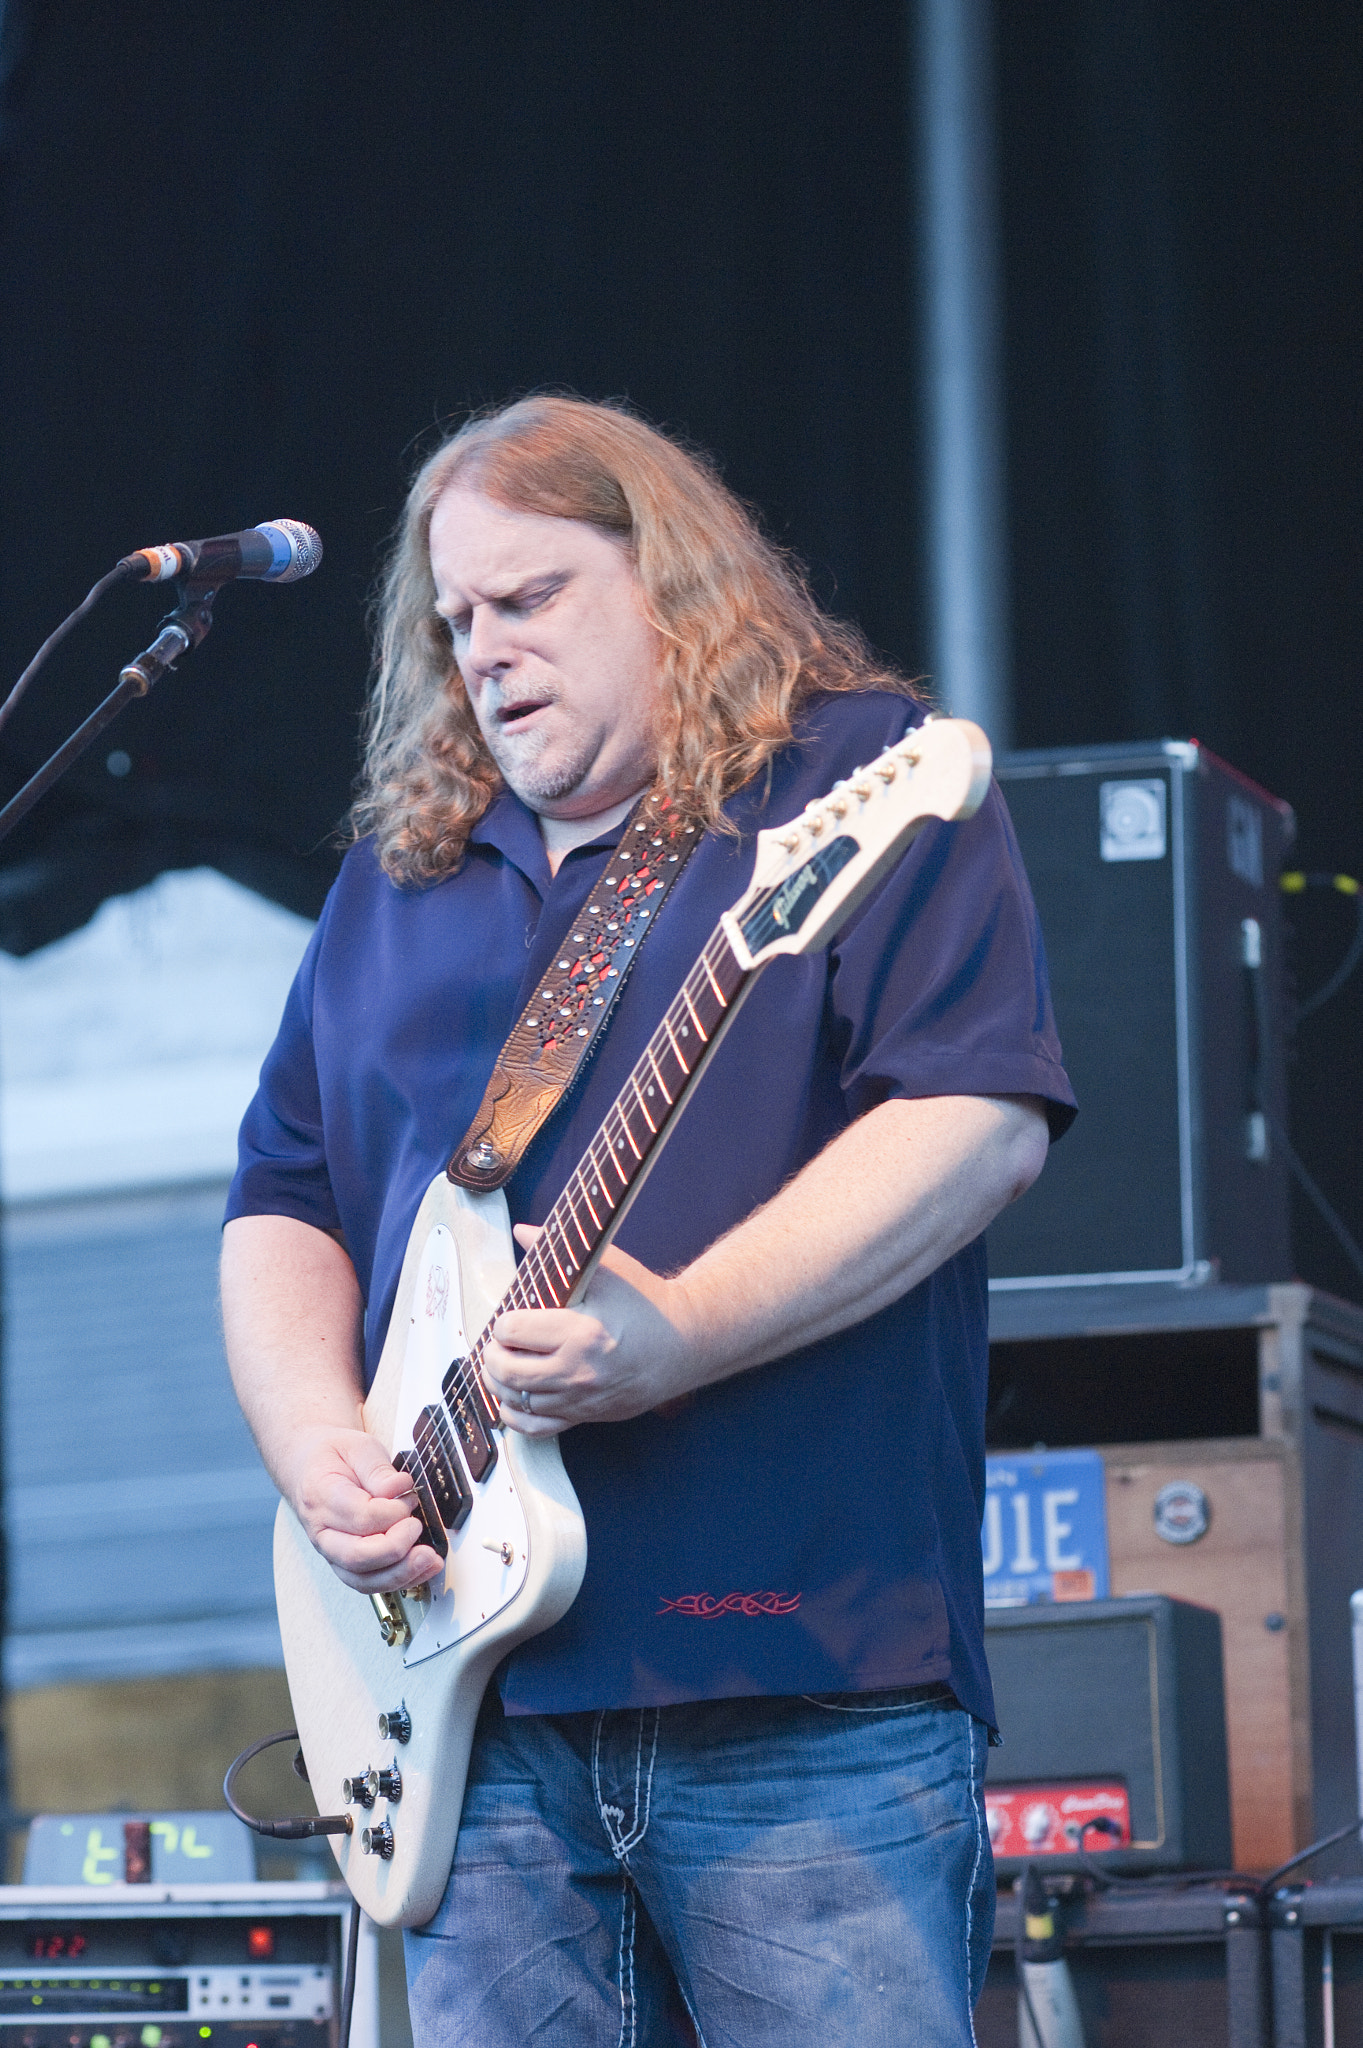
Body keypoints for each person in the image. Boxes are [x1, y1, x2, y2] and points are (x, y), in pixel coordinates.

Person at [221, 395, 1075, 2048]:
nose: (485, 648)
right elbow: (282, 1199)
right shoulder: (406, 878)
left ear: (667, 573)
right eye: (455, 619)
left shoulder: (853, 782)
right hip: (466, 1717)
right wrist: (314, 1439)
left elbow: (975, 1124)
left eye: (529, 597)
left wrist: (677, 1330)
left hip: (794, 1685)